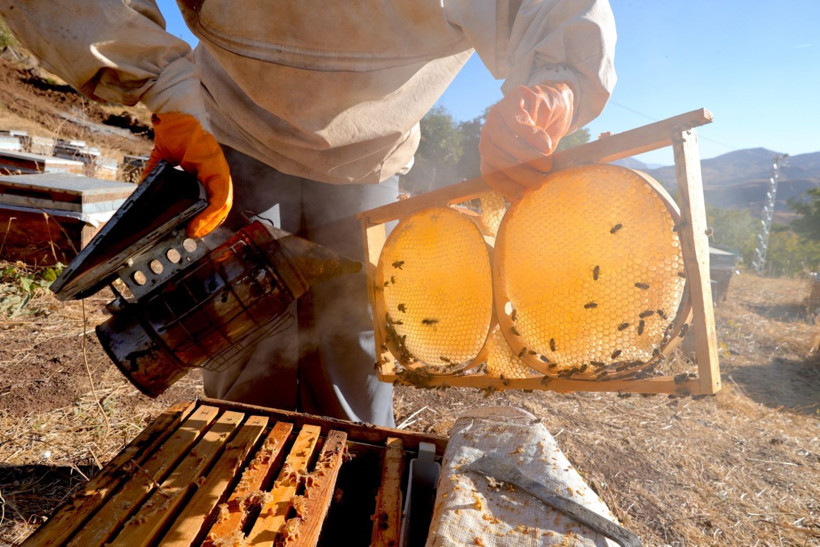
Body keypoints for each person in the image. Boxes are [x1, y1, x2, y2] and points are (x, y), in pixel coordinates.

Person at [0, 0, 616, 427]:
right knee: (233, 329)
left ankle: (356, 475)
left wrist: (556, 84)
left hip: (371, 160)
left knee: (357, 340)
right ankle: (238, 463)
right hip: (225, 133)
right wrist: (163, 88)